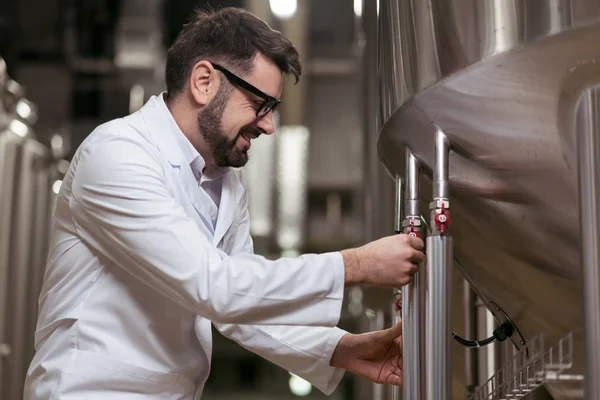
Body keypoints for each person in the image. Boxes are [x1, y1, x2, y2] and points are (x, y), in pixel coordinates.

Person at [24, 7, 424, 399]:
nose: (268, 125)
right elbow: (216, 286)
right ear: (203, 82)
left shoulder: (224, 181)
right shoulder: (117, 155)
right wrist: (356, 265)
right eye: (260, 104)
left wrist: (343, 350)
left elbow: (238, 308)